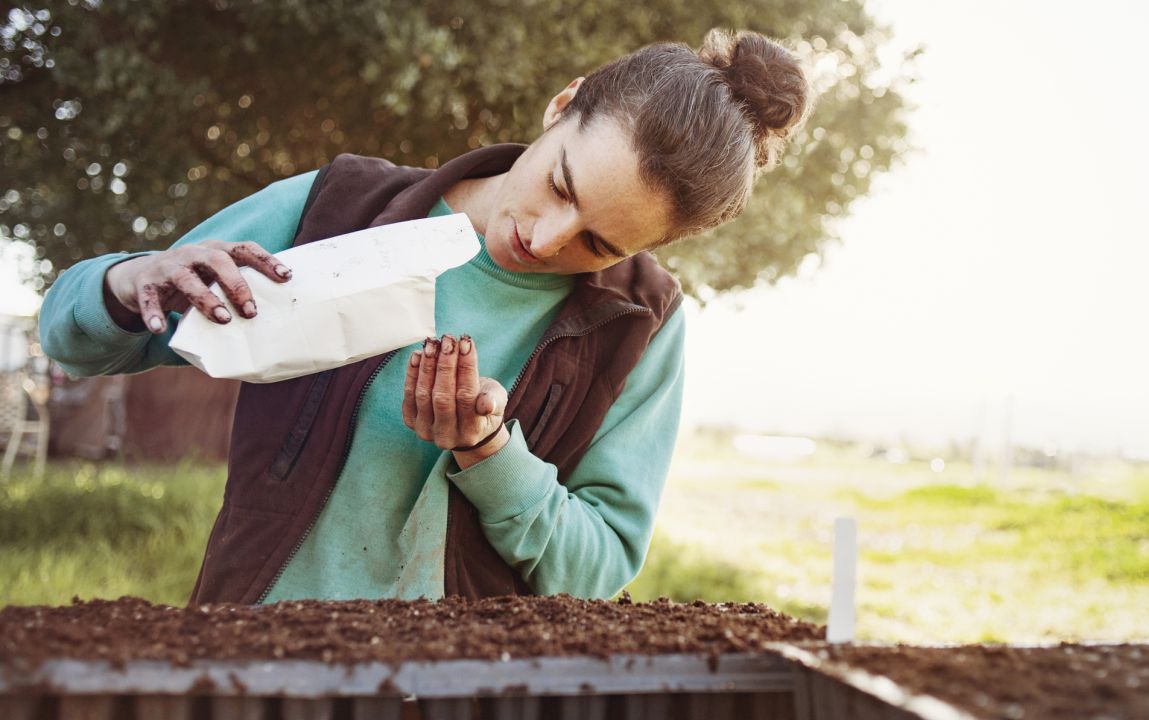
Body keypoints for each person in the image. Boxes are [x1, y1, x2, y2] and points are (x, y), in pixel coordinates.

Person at [38, 30, 810, 604]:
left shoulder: (642, 324)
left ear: (658, 243)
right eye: (563, 186)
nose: (544, 240)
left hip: (461, 689)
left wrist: (490, 451)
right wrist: (132, 280)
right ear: (561, 107)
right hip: (251, 656)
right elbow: (73, 343)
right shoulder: (343, 207)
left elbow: (600, 567)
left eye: (598, 242)